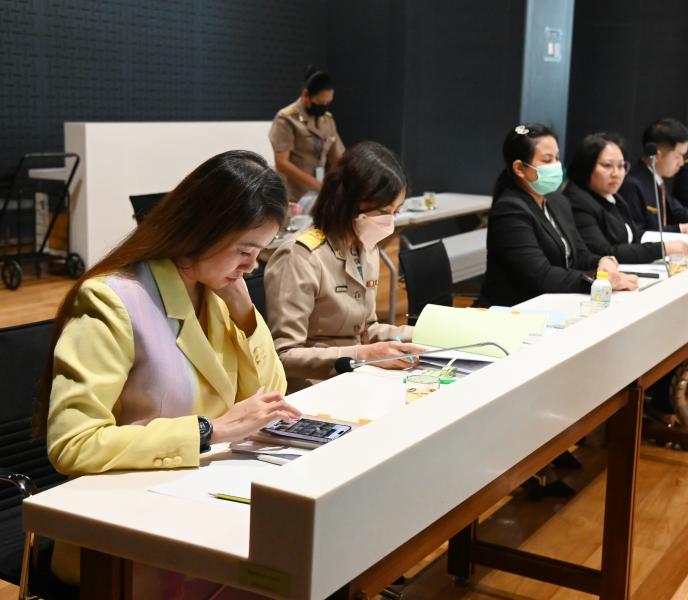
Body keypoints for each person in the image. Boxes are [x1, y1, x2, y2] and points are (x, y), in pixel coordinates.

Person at [37, 150, 299, 591]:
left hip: (199, 503)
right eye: (245, 251)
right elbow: (73, 444)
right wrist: (209, 431)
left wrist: (247, 315)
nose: (251, 267)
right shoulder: (113, 299)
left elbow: (271, 396)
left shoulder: (219, 291)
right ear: (203, 231)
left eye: (258, 252)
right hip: (125, 530)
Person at [265, 142, 421, 392]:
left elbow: (368, 330)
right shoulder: (301, 255)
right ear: (350, 203)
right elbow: (284, 356)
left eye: (396, 211)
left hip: (357, 375)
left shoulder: (364, 246)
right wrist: (362, 354)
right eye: (384, 211)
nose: (390, 221)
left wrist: (428, 334)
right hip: (314, 387)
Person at [476, 123, 637, 308]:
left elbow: (579, 255)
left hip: (554, 303)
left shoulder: (557, 200)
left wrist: (604, 261)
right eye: (547, 160)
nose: (556, 166)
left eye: (557, 158)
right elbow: (541, 276)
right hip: (515, 310)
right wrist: (597, 281)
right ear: (519, 168)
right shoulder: (510, 210)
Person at [563, 132, 688, 263]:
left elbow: (634, 235)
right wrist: (661, 249)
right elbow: (604, 252)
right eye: (607, 165)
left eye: (621, 166)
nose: (616, 174)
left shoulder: (613, 197)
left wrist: (674, 237)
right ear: (586, 166)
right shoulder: (578, 201)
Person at [619, 118, 688, 234]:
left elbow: (680, 212)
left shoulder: (657, 180)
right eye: (678, 156)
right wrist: (680, 229)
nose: (681, 163)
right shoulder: (633, 185)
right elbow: (637, 233)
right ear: (657, 155)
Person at [269, 66, 346, 209]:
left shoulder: (327, 120)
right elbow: (281, 163)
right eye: (320, 103)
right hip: (292, 195)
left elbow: (339, 157)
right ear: (306, 95)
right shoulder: (286, 119)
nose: (324, 107)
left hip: (317, 194)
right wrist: (318, 185)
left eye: (327, 104)